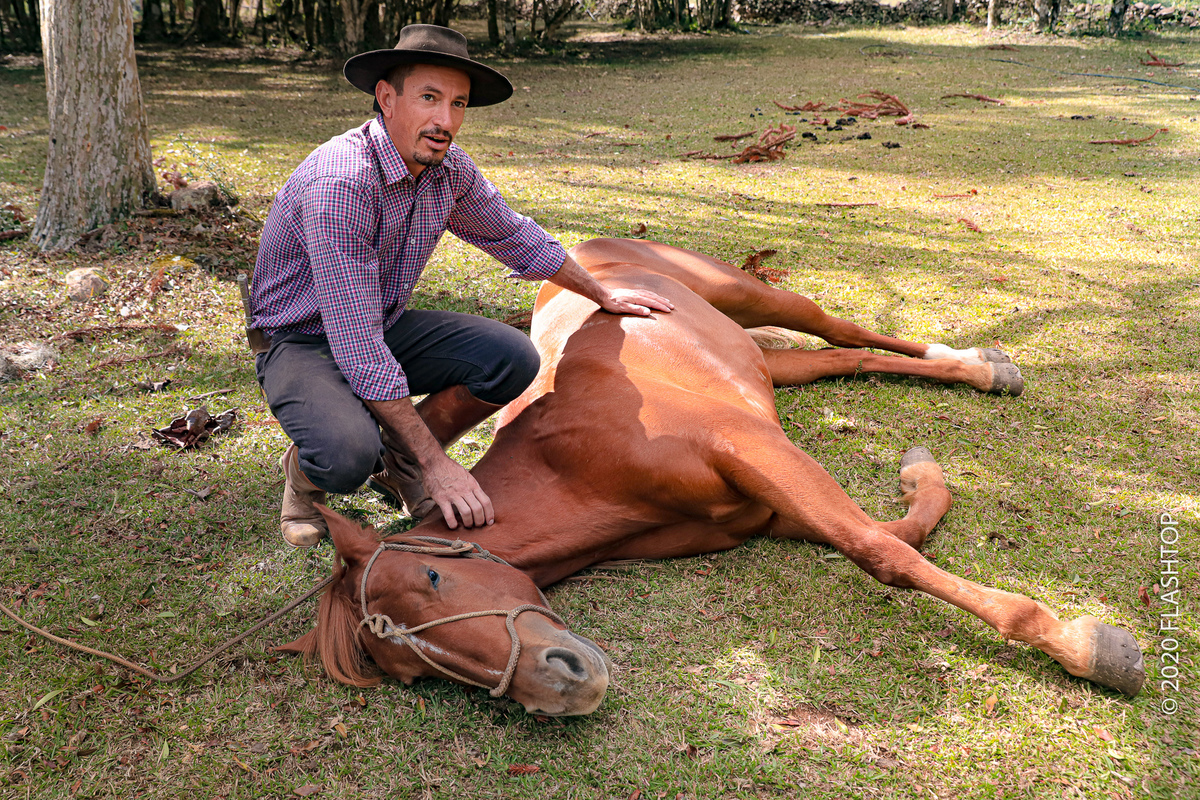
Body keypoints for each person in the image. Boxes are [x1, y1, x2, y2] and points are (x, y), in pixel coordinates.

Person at [251, 25, 673, 547]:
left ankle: (398, 464)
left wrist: (601, 293)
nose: (445, 121)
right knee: (345, 455)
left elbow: (513, 235)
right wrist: (439, 466)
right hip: (302, 341)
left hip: (378, 327)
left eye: (458, 103)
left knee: (509, 357)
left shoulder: (449, 170)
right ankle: (305, 479)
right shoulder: (341, 184)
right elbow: (357, 347)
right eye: (429, 98)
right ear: (387, 97)